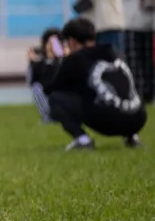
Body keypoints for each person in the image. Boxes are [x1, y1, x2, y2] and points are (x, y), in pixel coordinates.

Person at [45, 17, 146, 150]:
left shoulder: (75, 60)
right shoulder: (114, 52)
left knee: (56, 99)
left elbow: (51, 89)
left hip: (108, 122)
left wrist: (55, 61)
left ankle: (83, 140)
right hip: (139, 118)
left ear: (72, 41)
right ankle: (132, 137)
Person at [121, 0, 155, 104]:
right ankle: (137, 94)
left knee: (150, 60)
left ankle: (150, 94)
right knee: (134, 61)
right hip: (132, 22)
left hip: (150, 21)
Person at [27, 27, 62, 123]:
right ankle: (48, 117)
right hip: (47, 94)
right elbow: (33, 80)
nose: (52, 46)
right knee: (36, 88)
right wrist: (34, 62)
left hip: (62, 94)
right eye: (50, 43)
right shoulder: (41, 60)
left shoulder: (63, 59)